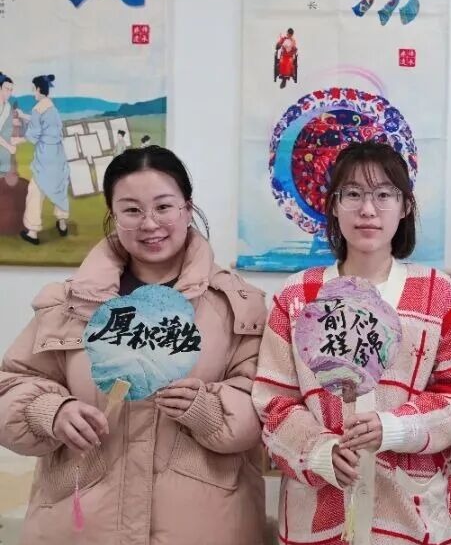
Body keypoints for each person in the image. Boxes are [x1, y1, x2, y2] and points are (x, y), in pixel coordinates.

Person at [0, 145, 269, 544]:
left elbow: (267, 404)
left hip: (204, 526)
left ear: (188, 208)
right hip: (81, 527)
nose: (150, 223)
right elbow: (10, 384)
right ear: (112, 215)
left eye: (164, 206)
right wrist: (50, 411)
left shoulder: (239, 305)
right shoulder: (68, 302)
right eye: (131, 210)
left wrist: (207, 408)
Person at [254, 140, 451, 545]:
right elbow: (273, 402)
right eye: (353, 194)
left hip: (413, 519)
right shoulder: (297, 295)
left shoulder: (437, 293)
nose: (368, 209)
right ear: (334, 205)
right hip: (316, 518)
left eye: (384, 194)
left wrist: (395, 427)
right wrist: (319, 452)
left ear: (405, 206)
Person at [19, 74, 71, 245]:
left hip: (45, 156)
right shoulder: (52, 108)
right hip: (58, 154)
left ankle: (32, 232)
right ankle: (62, 223)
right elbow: (46, 125)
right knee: (59, 188)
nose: (33, 92)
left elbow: (33, 136)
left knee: (36, 190)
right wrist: (24, 116)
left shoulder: (37, 109)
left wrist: (17, 138)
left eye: (33, 89)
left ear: (39, 89)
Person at [0, 72, 17, 176]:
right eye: (7, 89)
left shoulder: (7, 106)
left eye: (11, 90)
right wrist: (9, 147)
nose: (9, 92)